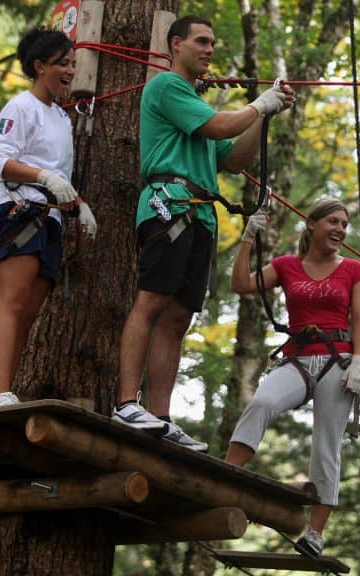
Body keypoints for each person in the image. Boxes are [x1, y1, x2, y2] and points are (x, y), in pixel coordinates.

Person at [112, 15, 295, 451]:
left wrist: (261, 117)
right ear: (176, 45)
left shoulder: (194, 102)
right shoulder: (166, 87)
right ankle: (125, 403)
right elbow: (219, 127)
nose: (210, 49)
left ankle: (159, 415)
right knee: (152, 301)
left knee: (178, 317)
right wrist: (258, 106)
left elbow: (233, 159)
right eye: (201, 41)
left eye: (213, 42)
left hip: (200, 212)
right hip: (168, 203)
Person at [227, 199, 360, 558]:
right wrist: (248, 237)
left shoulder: (352, 269)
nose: (340, 229)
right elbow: (241, 284)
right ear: (312, 225)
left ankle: (316, 532)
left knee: (327, 443)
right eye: (333, 221)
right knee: (262, 401)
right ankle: (225, 476)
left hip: (339, 360)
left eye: (344, 224)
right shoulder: (287, 266)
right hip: (298, 357)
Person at [0, 29, 97, 408]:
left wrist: (78, 205)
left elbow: (59, 175)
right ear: (39, 66)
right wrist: (42, 177)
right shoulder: (20, 107)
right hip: (20, 211)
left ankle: (6, 389)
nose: (70, 71)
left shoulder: (61, 119)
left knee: (29, 312)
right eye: (62, 63)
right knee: (13, 302)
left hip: (49, 218)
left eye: (72, 64)